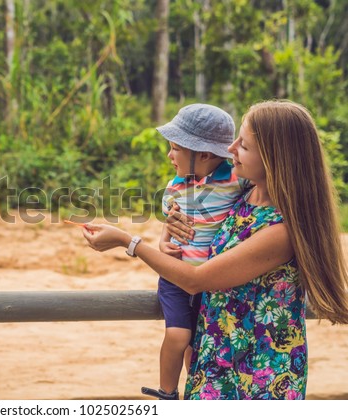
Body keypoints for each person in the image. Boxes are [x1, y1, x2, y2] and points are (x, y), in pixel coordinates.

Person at [81, 100, 348, 399]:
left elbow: (197, 280)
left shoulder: (280, 230)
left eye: (243, 145)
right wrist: (168, 229)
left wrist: (127, 242)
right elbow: (192, 211)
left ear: (275, 158)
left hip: (259, 375)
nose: (230, 149)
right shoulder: (244, 197)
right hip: (216, 358)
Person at [141, 104, 249, 400]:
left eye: (175, 148)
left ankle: (197, 391)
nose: (169, 155)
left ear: (203, 154)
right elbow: (171, 219)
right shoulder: (175, 186)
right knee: (179, 335)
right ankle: (166, 392)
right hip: (176, 277)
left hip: (212, 280)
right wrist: (163, 241)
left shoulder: (237, 179)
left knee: (201, 343)